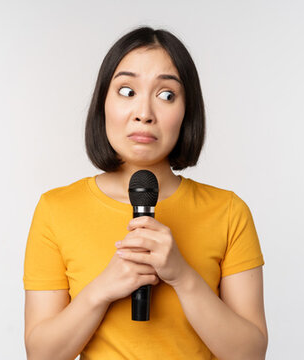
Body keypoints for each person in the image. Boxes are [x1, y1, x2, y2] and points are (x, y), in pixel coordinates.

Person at [22, 26, 267, 360]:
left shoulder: (229, 211)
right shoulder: (56, 209)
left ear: (187, 111)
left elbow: (250, 354)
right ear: (102, 104)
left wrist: (182, 276)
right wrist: (102, 289)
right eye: (127, 91)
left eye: (166, 95)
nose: (144, 113)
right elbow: (42, 355)